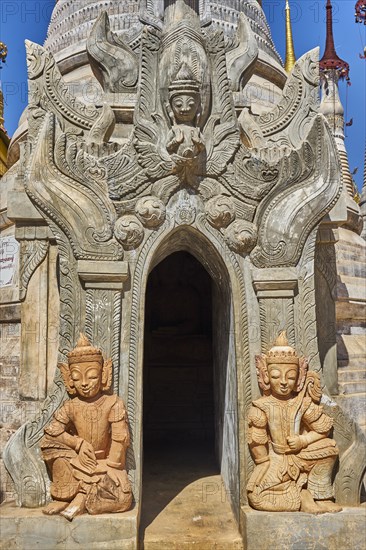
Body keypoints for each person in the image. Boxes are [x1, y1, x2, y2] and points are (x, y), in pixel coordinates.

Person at [247, 331, 342, 513]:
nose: (283, 382)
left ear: (298, 378)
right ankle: (302, 497)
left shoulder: (301, 403)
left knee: (329, 448)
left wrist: (302, 441)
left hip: (300, 455)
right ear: (266, 377)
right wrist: (264, 464)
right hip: (275, 459)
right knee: (257, 498)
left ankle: (320, 494)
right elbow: (257, 442)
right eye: (276, 376)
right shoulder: (262, 406)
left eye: (290, 377)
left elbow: (322, 429)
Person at [41, 334, 132, 521]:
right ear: (69, 379)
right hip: (77, 462)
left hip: (104, 465)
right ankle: (63, 496)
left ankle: (83, 496)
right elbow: (52, 431)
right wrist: (77, 443)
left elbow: (119, 439)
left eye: (91, 377)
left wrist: (110, 465)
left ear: (104, 375)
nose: (84, 383)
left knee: (123, 498)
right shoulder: (71, 405)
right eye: (77, 378)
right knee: (50, 445)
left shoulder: (113, 402)